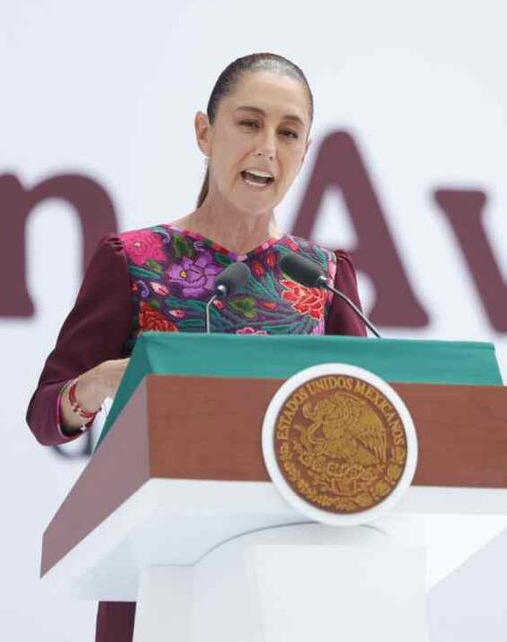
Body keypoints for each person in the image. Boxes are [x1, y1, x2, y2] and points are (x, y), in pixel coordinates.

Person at [26, 52, 367, 642]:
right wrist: (99, 384)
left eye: (288, 133)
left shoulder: (325, 276)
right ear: (205, 134)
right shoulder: (133, 261)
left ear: (305, 154)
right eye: (249, 123)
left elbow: (359, 421)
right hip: (155, 572)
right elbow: (45, 415)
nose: (267, 147)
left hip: (286, 582)